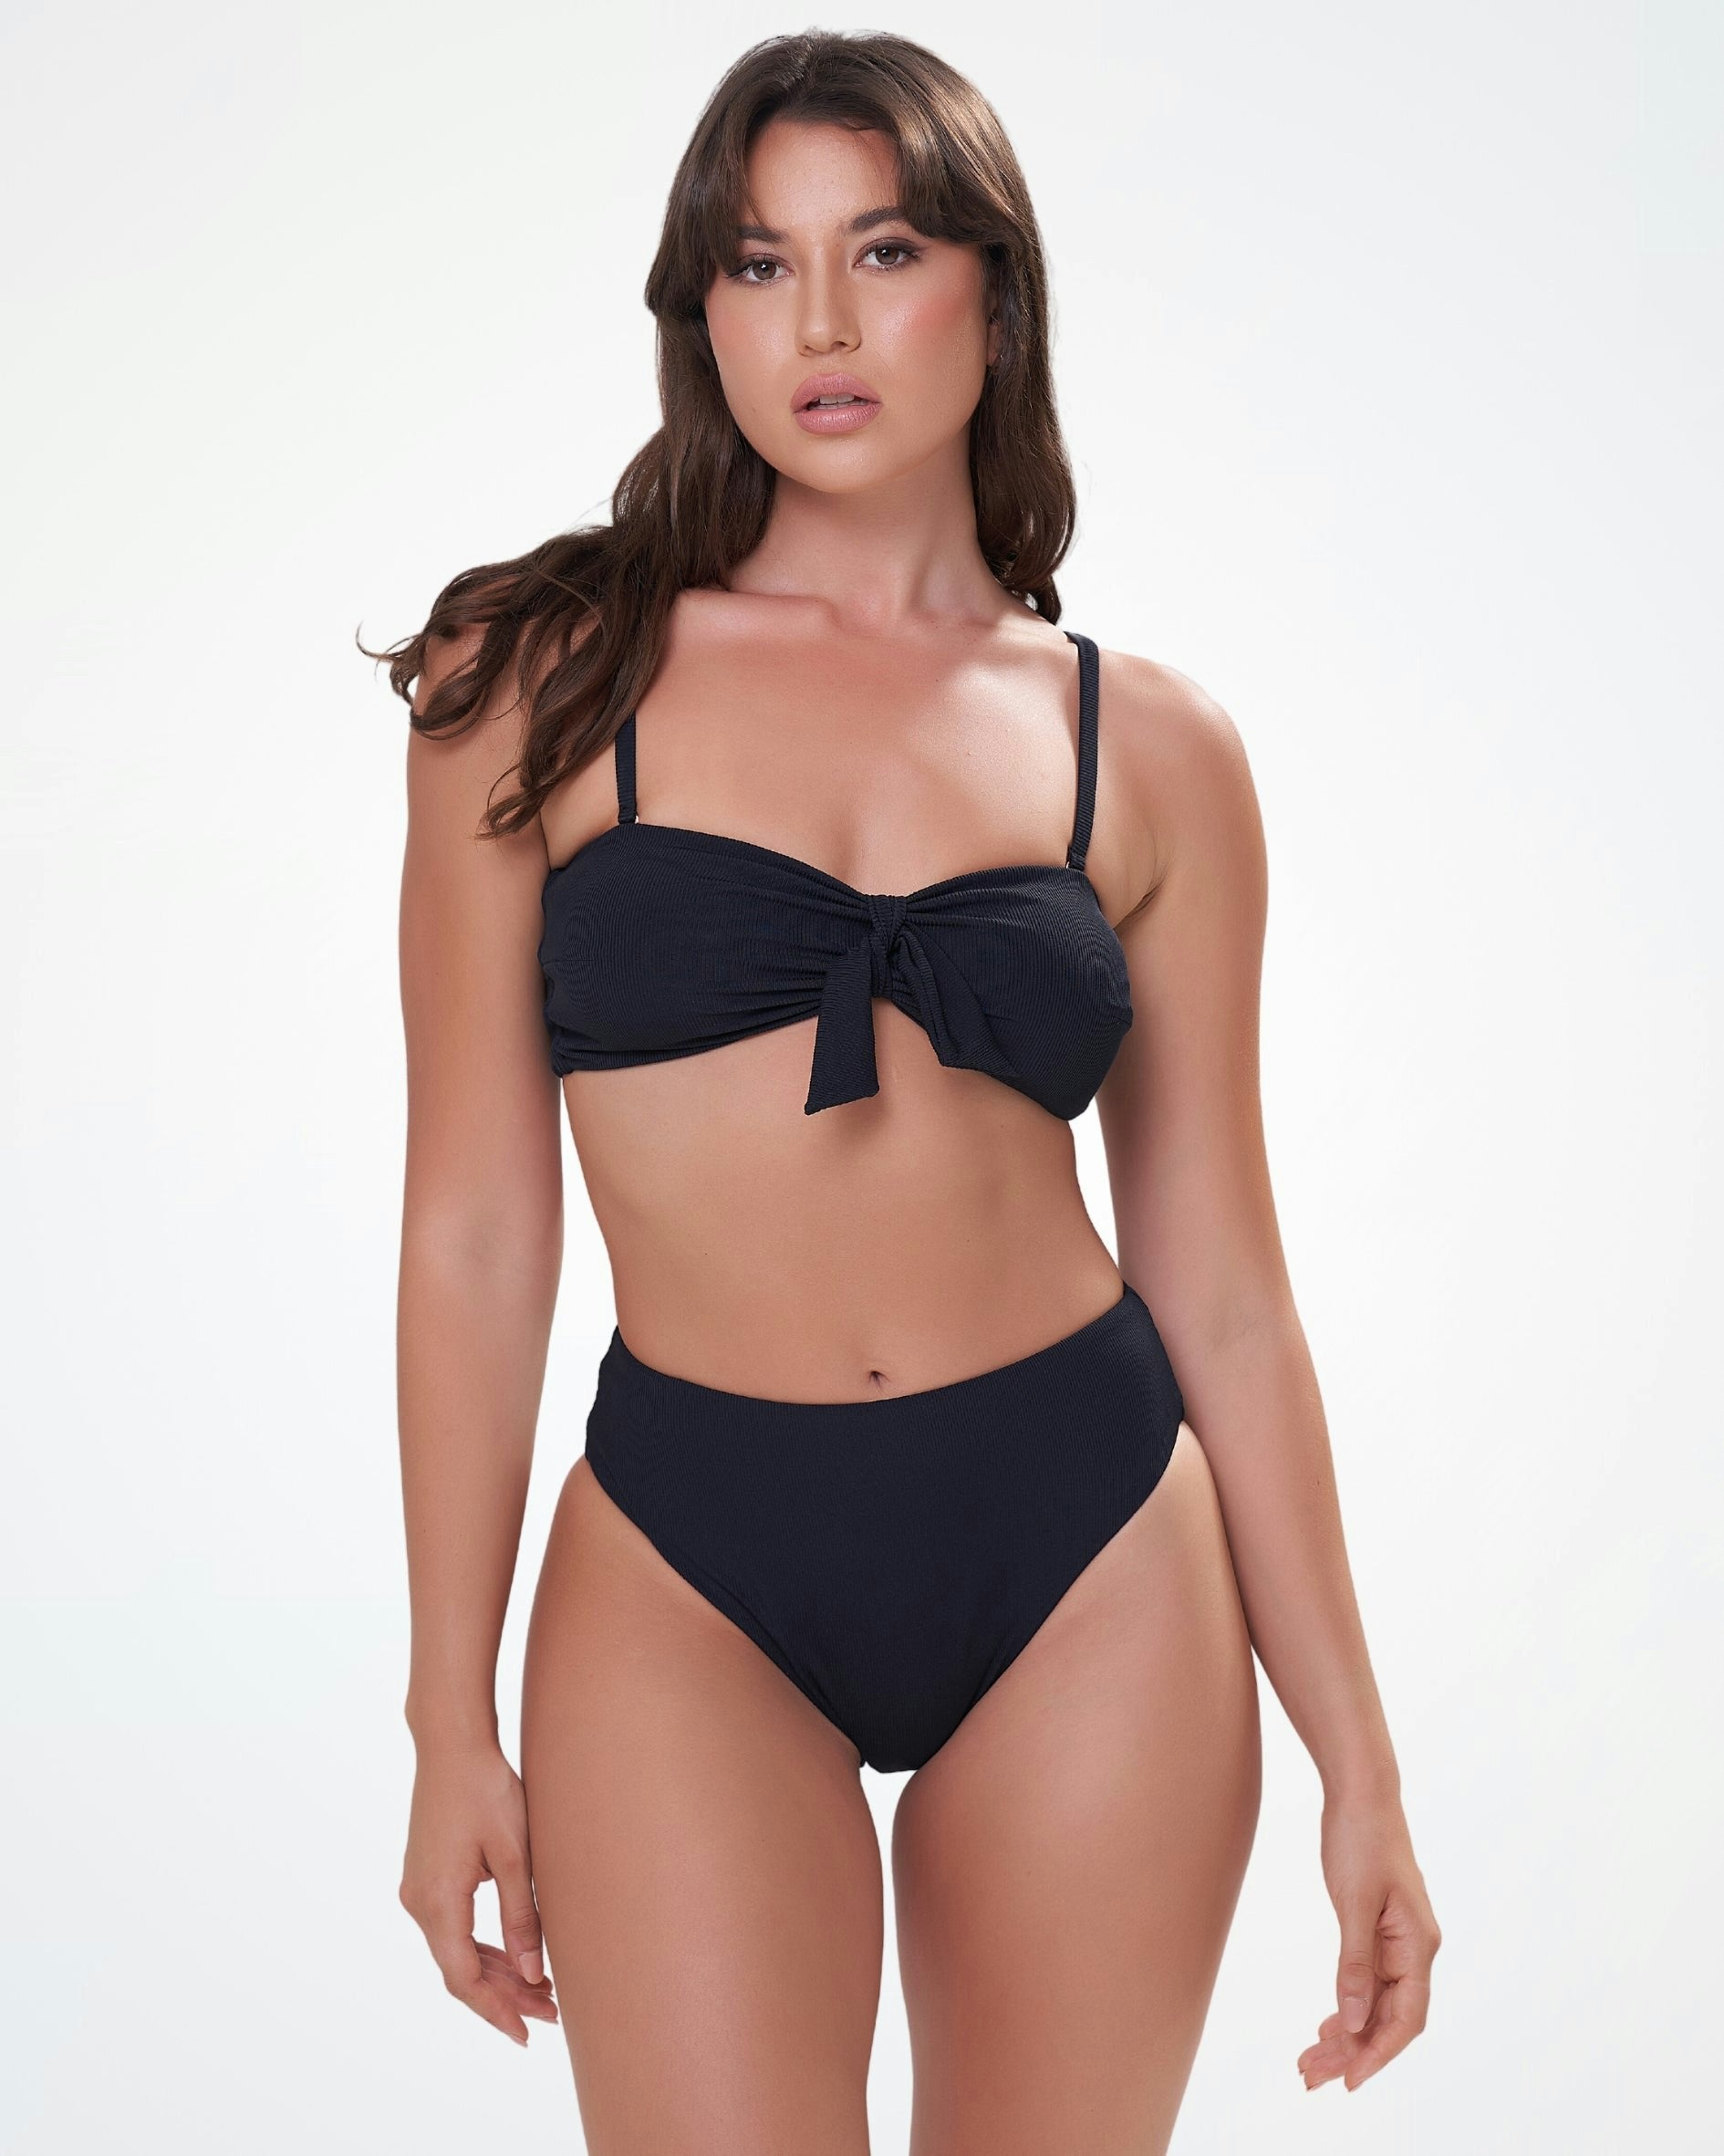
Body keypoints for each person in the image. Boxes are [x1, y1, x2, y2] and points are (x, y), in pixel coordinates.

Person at [378, 29, 1439, 2151]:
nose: (824, 324)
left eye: (882, 251)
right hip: (686, 1556)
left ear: (996, 295)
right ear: (702, 315)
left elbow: (1225, 1282)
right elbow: (477, 1234)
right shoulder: (540, 685)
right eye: (759, 264)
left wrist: (1362, 1764)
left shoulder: (1149, 746)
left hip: (1094, 1549)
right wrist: (443, 1714)